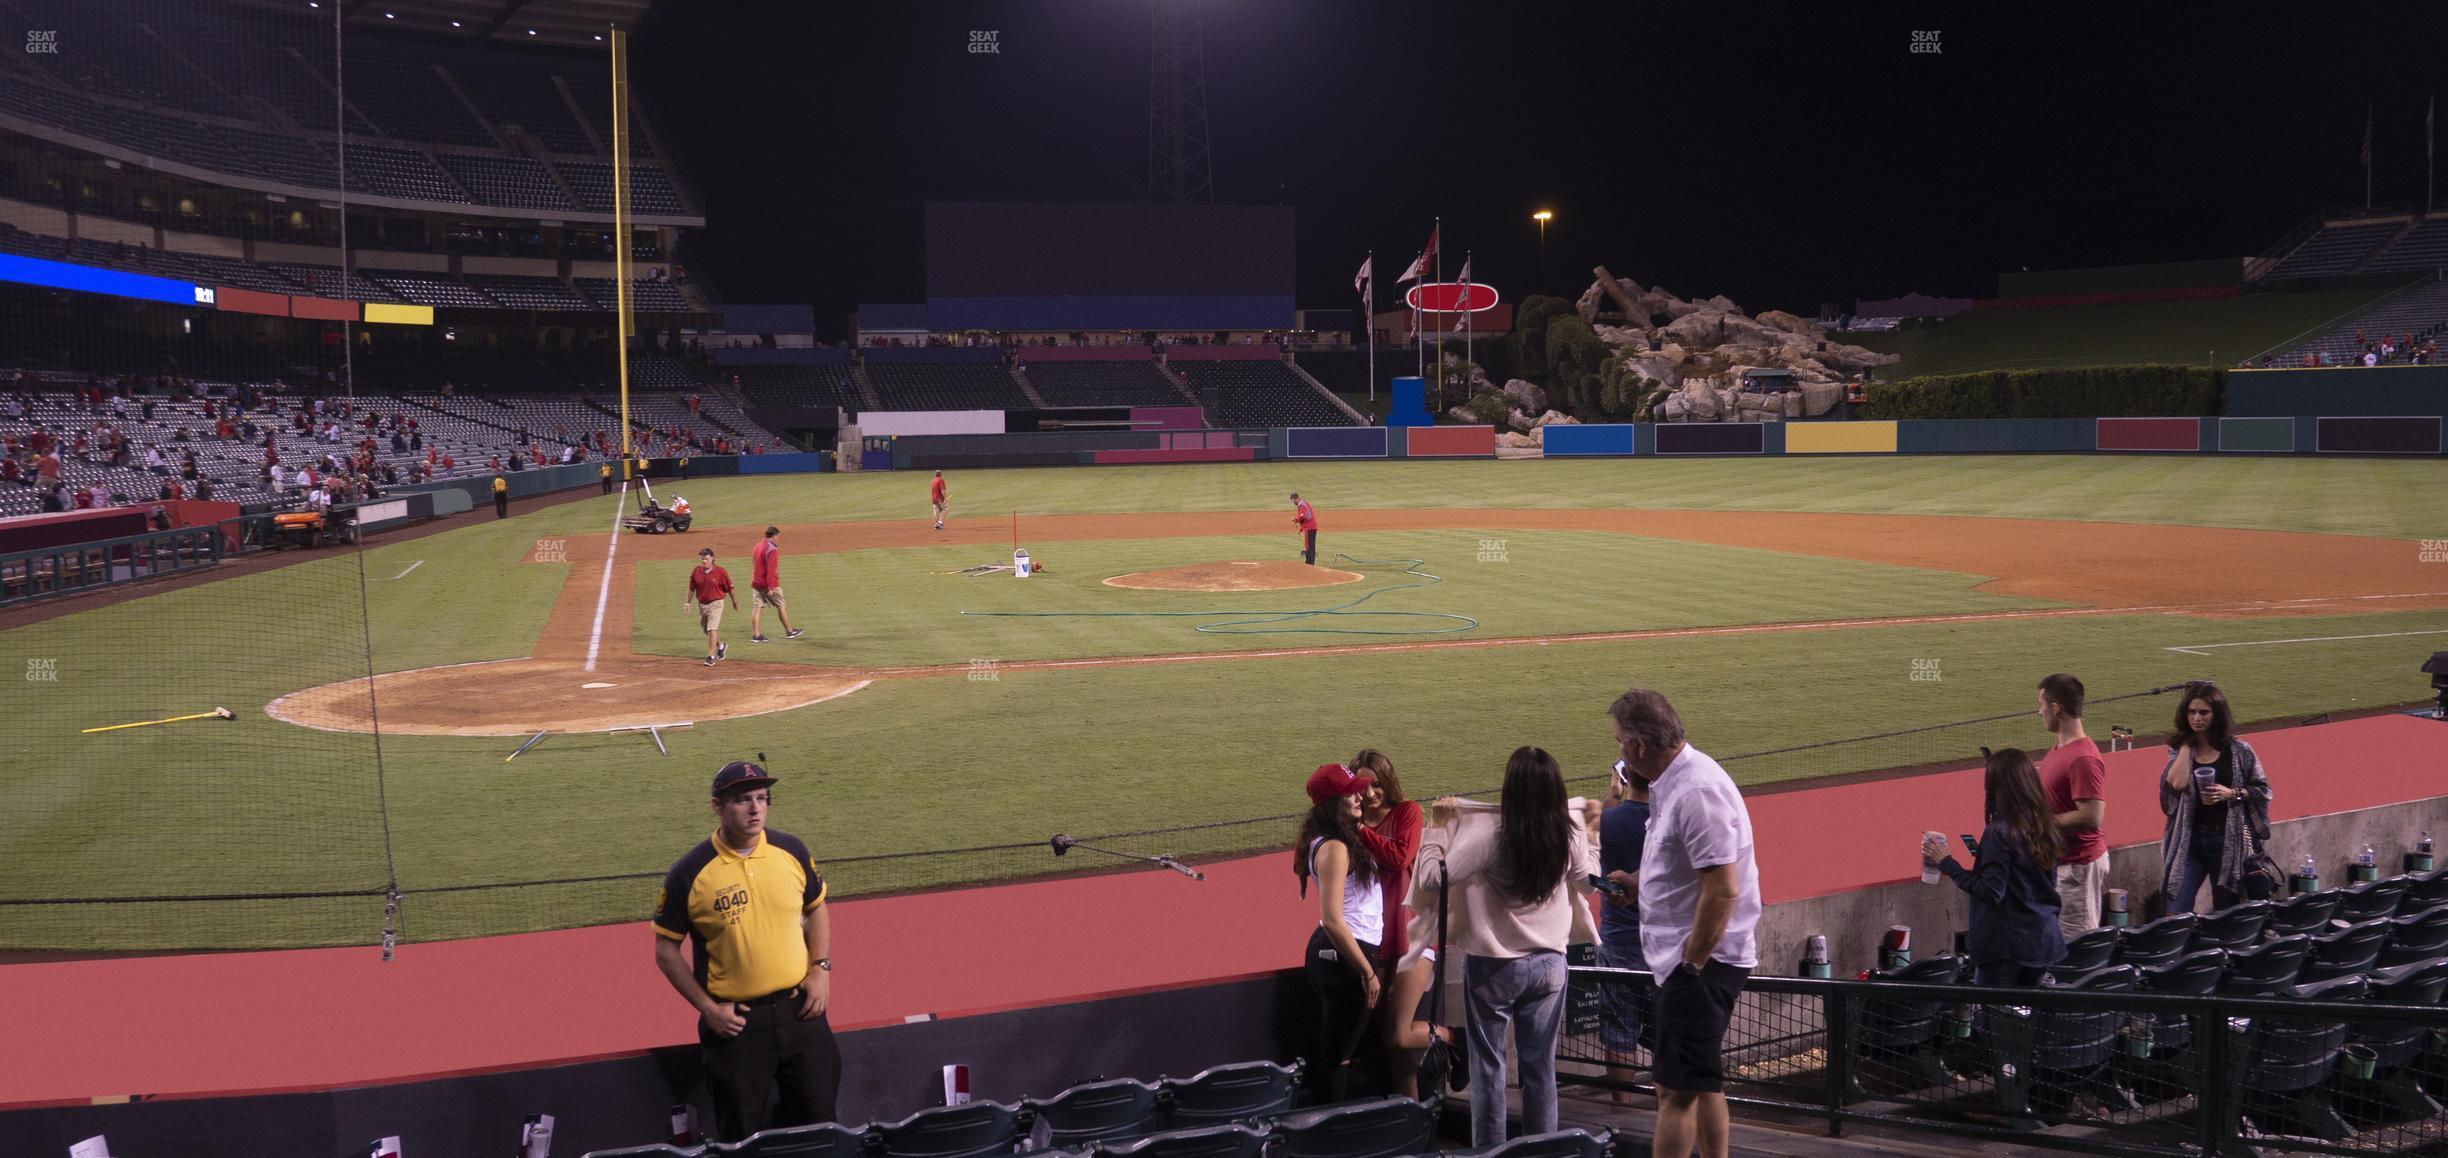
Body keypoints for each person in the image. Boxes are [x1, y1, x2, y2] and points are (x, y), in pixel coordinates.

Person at [1419, 747, 1598, 1146]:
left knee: (1489, 1071)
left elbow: (1433, 878)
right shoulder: (1568, 835)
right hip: (1550, 965)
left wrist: (1436, 827)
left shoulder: (1489, 837)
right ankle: (1544, 1154)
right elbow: (1589, 882)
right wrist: (1593, 836)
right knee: (1540, 1071)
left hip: (1494, 968)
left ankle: (1492, 1155)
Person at [653, 761, 839, 1142]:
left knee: (821, 1129)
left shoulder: (791, 850)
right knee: (740, 1137)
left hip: (801, 1012)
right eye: (742, 800)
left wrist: (820, 968)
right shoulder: (689, 872)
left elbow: (816, 906)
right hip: (736, 1026)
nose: (756, 809)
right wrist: (708, 1009)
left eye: (762, 798)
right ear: (717, 807)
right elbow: (665, 949)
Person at [1613, 687, 1759, 1158]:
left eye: (1620, 741)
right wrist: (1640, 883)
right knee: (1700, 1080)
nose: (1618, 749)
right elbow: (1689, 868)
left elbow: (1723, 889)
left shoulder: (1696, 790)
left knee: (1673, 1094)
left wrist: (1691, 967)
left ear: (1638, 746)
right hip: (1694, 957)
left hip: (1699, 961)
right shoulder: (1678, 782)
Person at [1921, 749, 2069, 986]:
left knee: (1993, 1018)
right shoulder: (2044, 826)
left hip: (2006, 949)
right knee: (2028, 1017)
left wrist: (1947, 863)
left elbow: (1991, 891)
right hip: (2042, 940)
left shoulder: (2000, 833)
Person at [1293, 762, 1382, 1104]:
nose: (1360, 796)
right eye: (1350, 793)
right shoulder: (1335, 847)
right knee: (1337, 1056)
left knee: (1338, 1050)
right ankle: (1330, 1134)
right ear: (1333, 802)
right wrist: (1367, 971)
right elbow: (1332, 919)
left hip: (1340, 953)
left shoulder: (1338, 839)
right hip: (1345, 954)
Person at [2158, 682, 2273, 914]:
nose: (2197, 718)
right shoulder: (2180, 750)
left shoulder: (2240, 751)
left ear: (2217, 714)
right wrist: (2187, 745)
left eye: (2204, 712)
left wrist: (2231, 794)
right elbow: (2176, 785)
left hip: (2227, 841)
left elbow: (2263, 790)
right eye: (2192, 712)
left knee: (2226, 913)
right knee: (2175, 909)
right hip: (2189, 841)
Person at [1595, 757, 1653, 1102]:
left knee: (1618, 1034)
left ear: (1624, 776)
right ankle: (1670, 1111)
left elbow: (1605, 820)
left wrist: (1612, 795)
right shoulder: (1669, 821)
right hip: (1663, 947)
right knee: (1669, 1036)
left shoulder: (1608, 820)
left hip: (1618, 943)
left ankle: (1623, 1113)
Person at [2036, 673, 2107, 939]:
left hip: (2077, 869)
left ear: (2056, 708)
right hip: (2062, 864)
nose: (2039, 711)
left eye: (2042, 704)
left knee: (2077, 948)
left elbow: (2092, 815)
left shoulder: (2082, 758)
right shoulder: (2061, 749)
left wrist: (2040, 824)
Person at [748, 526, 806, 644]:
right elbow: (771, 570)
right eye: (777, 536)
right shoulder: (772, 549)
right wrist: (770, 587)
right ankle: (789, 631)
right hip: (768, 584)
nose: (778, 538)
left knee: (757, 607)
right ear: (774, 536)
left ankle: (756, 635)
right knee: (781, 605)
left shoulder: (758, 546)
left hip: (756, 582)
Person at [686, 547, 738, 667]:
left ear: (712, 559)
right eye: (702, 559)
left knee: (711, 629)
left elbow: (730, 588)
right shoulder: (696, 571)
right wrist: (687, 602)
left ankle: (711, 656)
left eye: (706, 558)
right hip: (702, 605)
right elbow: (691, 589)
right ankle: (721, 646)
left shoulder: (721, 572)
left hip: (717, 603)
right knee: (707, 630)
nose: (703, 561)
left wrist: (735, 602)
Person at [1291, 492, 1318, 565]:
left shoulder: (1301, 505)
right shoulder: (1303, 503)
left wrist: (1295, 519)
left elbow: (1303, 516)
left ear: (1294, 499)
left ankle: (1310, 563)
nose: (1293, 503)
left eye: (1292, 501)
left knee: (1309, 546)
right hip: (1310, 527)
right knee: (1309, 545)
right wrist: (1301, 528)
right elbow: (1306, 518)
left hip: (1310, 528)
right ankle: (1309, 562)